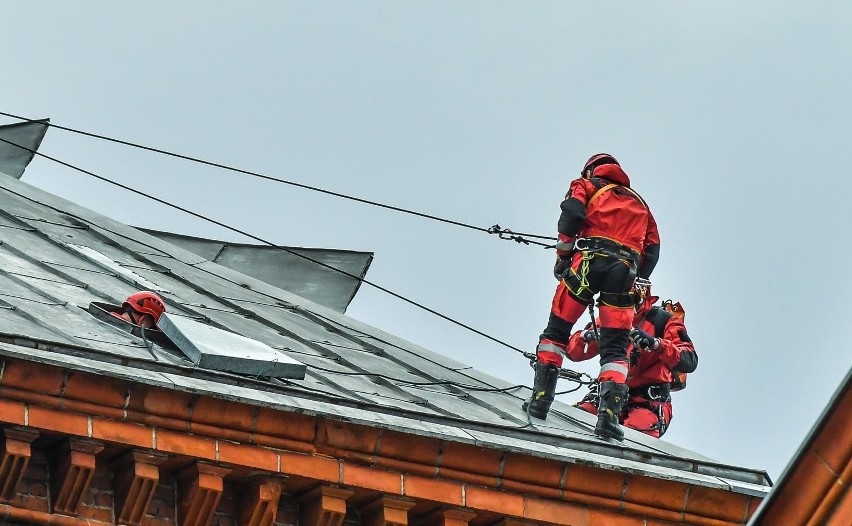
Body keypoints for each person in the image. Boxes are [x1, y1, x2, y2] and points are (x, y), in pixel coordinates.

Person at [523, 153, 661, 441]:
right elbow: (652, 249)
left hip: (585, 264)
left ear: (590, 170)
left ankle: (540, 400)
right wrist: (639, 279)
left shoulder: (586, 185)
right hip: (624, 273)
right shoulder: (641, 204)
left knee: (557, 332)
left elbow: (571, 215)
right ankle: (608, 417)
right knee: (614, 348)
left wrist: (562, 256)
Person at [569, 280, 697, 438]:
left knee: (632, 439)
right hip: (608, 398)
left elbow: (689, 360)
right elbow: (572, 352)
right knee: (572, 423)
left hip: (648, 404)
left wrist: (655, 344)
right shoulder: (607, 319)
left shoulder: (664, 321)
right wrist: (587, 336)